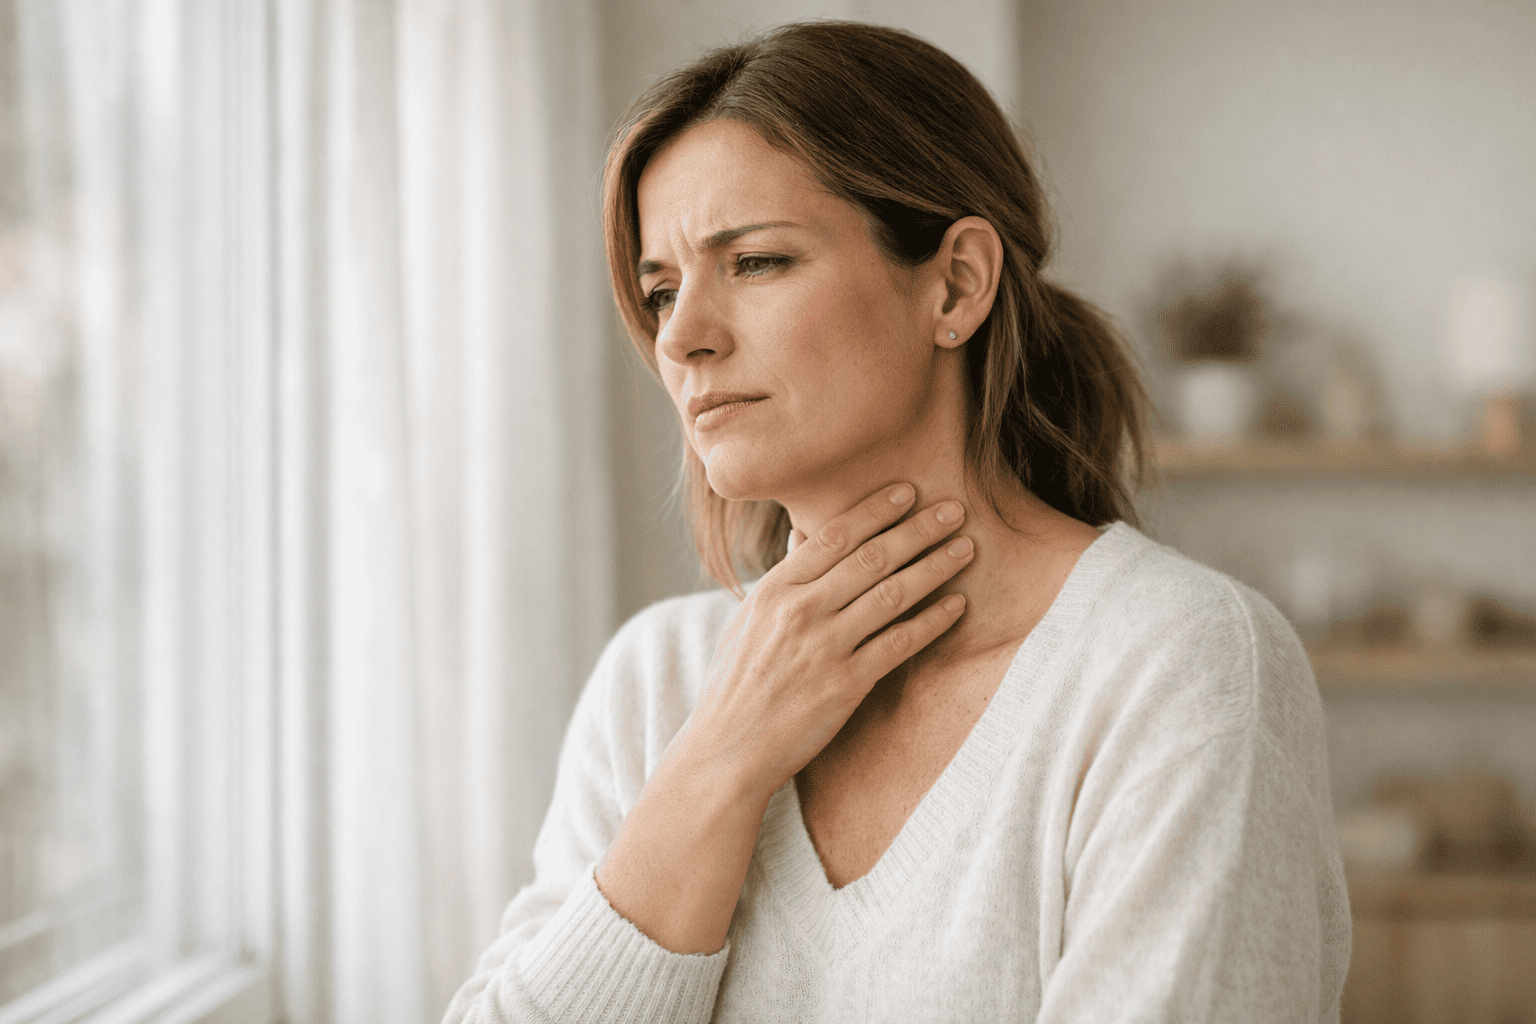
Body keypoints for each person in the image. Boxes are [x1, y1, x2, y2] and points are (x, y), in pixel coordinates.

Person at [444, 20, 1349, 1024]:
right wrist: (721, 759)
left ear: (956, 283)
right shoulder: (654, 685)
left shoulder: (1178, 664)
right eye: (660, 290)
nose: (684, 338)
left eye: (754, 263)